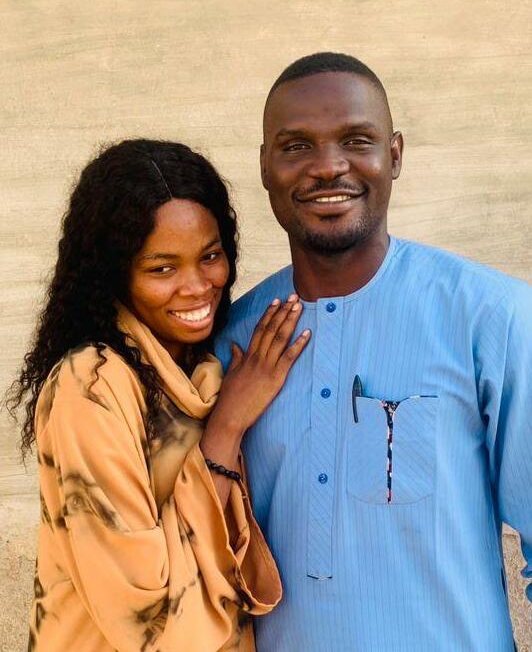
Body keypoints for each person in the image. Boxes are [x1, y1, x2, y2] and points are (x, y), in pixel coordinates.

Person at [216, 52, 532, 651]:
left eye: (357, 140)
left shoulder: (492, 318)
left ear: (395, 154)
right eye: (296, 146)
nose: (328, 167)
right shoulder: (233, 343)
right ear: (264, 167)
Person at [7, 138, 311, 651]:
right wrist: (228, 425)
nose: (196, 286)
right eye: (162, 268)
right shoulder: (91, 387)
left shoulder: (204, 368)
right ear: (115, 275)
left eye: (210, 256)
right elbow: (144, 618)